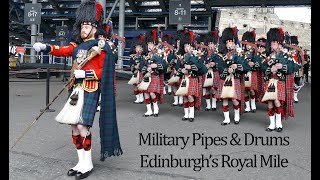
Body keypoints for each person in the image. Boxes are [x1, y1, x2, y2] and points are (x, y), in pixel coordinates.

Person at [32, 0, 122, 179]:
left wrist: (85, 74)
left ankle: (87, 164)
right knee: (73, 126)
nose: (83, 28)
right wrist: (46, 47)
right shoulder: (77, 46)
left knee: (82, 125)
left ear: (95, 28)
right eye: (82, 24)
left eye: (87, 25)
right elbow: (63, 50)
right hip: (76, 90)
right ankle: (80, 162)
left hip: (90, 88)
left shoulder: (101, 47)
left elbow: (102, 71)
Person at [261, 27, 295, 132]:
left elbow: (293, 67)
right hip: (270, 80)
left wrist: (281, 66)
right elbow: (263, 67)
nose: (272, 45)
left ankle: (279, 123)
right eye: (271, 43)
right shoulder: (268, 56)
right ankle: (272, 124)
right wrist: (270, 69)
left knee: (276, 101)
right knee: (270, 101)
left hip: (280, 80)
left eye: (274, 43)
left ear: (279, 44)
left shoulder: (285, 55)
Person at [215, 27, 250, 125]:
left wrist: (236, 66)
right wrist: (227, 70)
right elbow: (220, 67)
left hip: (235, 78)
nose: (229, 44)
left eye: (230, 42)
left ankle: (236, 116)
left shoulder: (239, 54)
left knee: (234, 100)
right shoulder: (222, 55)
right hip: (225, 78)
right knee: (225, 99)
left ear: (234, 43)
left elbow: (246, 67)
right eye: (227, 43)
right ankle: (226, 119)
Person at [179, 31, 207, 122]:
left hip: (193, 78)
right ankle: (186, 114)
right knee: (185, 96)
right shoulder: (182, 56)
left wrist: (191, 67)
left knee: (190, 96)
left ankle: (191, 114)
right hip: (184, 78)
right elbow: (177, 68)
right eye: (185, 46)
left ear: (191, 46)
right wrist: (181, 70)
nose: (186, 48)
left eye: (188, 46)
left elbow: (203, 69)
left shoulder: (197, 56)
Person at [140, 30, 167, 117]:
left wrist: (156, 65)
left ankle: (155, 108)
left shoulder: (159, 54)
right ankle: (149, 110)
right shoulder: (146, 55)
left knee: (152, 93)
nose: (149, 45)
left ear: (155, 45)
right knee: (146, 93)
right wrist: (146, 69)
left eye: (151, 44)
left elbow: (164, 65)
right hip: (147, 76)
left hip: (155, 75)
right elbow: (142, 66)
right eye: (148, 44)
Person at [128, 34, 145, 104]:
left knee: (140, 85)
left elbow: (144, 64)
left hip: (141, 72)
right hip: (135, 72)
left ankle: (142, 98)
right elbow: (130, 63)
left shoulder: (143, 56)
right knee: (135, 85)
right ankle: (137, 98)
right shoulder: (132, 56)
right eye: (137, 47)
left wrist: (139, 66)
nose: (138, 49)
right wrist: (134, 66)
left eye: (139, 47)